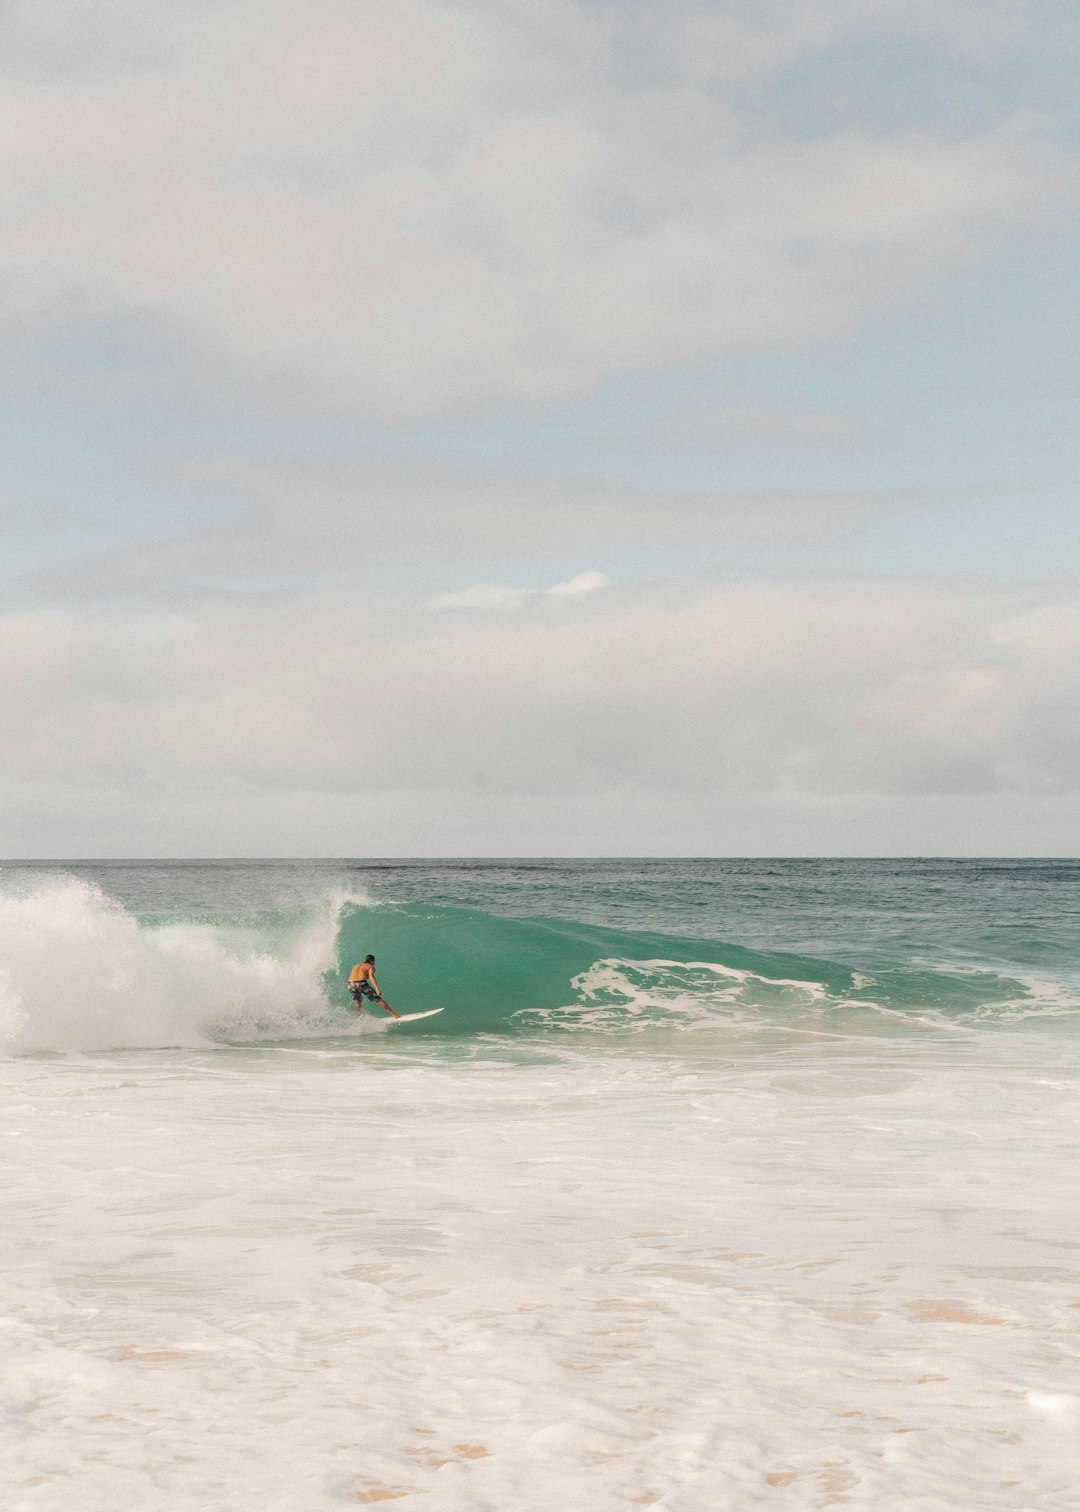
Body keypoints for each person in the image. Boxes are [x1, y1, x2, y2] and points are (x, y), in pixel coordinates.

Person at [348, 954, 399, 1019]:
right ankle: (394, 1014)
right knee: (377, 999)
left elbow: (356, 976)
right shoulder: (370, 967)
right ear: (372, 961)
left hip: (351, 984)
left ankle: (357, 1018)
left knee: (358, 1001)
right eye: (374, 962)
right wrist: (377, 988)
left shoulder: (355, 966)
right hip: (361, 984)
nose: (374, 964)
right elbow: (371, 977)